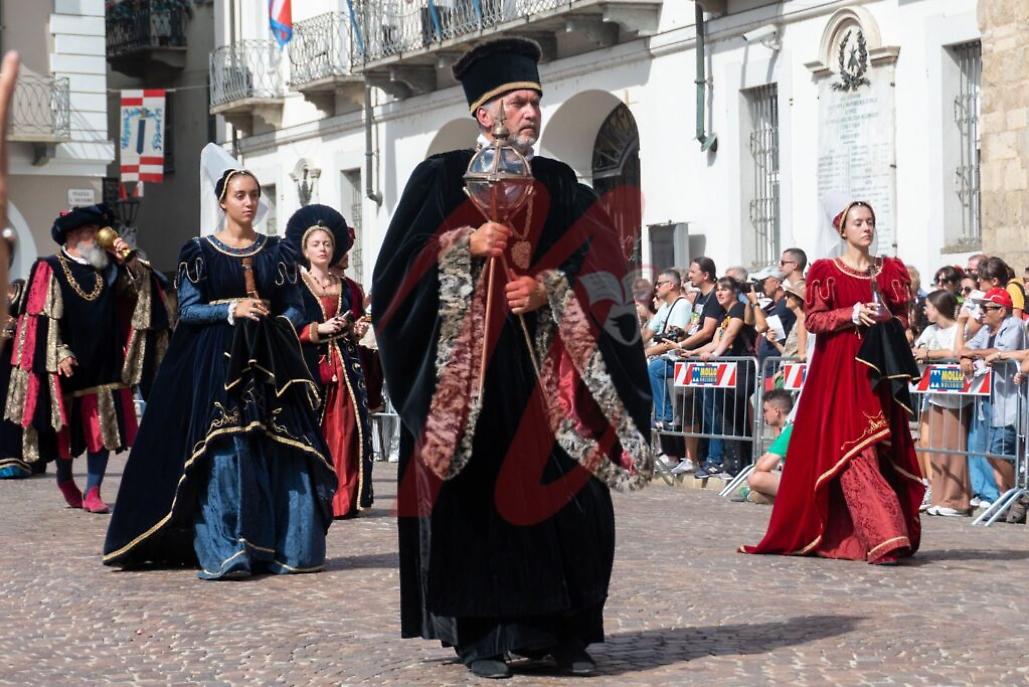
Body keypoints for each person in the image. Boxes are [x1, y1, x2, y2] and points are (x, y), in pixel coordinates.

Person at [372, 37, 653, 680]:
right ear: (484, 113)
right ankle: (483, 637)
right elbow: (394, 279)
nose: (532, 112)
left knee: (570, 502)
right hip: (468, 376)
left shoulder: (561, 183)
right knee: (480, 503)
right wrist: (461, 242)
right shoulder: (440, 179)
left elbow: (606, 276)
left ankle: (566, 634)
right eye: (519, 102)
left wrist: (551, 291)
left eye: (536, 101)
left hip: (549, 376)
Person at [103, 150, 337, 579]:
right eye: (240, 195)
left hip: (270, 362)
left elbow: (296, 307)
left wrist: (279, 322)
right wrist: (232, 310)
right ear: (223, 201)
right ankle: (230, 549)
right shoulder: (200, 252)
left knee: (281, 447)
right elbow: (188, 311)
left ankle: (288, 547)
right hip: (219, 361)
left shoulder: (278, 252)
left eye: (254, 195)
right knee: (227, 450)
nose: (249, 202)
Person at [743, 200, 924, 565]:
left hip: (875, 373)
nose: (866, 228)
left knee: (877, 447)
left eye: (870, 222)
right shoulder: (827, 270)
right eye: (858, 222)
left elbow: (903, 319)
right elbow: (815, 321)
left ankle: (873, 535)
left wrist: (887, 315)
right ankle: (884, 536)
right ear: (844, 229)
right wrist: (850, 314)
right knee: (854, 448)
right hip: (838, 374)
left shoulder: (889, 271)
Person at [5, 204, 171, 512]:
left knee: (103, 430)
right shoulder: (49, 267)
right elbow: (40, 320)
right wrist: (58, 353)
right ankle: (66, 480)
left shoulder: (108, 267)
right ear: (71, 237)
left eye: (95, 232)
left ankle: (93, 490)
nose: (93, 238)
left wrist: (130, 261)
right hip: (69, 363)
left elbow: (141, 294)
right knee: (66, 435)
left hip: (106, 359)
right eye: (86, 233)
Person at [286, 205, 374, 519]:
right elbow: (284, 328)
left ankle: (345, 498)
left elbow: (352, 322)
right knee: (318, 431)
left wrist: (356, 328)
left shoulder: (347, 287)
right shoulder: (296, 287)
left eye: (327, 244)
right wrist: (316, 330)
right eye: (316, 244)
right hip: (313, 366)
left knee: (348, 430)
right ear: (305, 249)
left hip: (346, 368)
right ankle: (318, 495)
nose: (323, 249)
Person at [682, 276, 757, 477]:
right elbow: (715, 342)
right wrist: (691, 352)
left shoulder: (739, 309)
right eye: (718, 290)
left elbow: (730, 335)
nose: (719, 293)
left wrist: (714, 356)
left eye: (724, 289)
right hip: (728, 371)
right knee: (726, 416)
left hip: (741, 371)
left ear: (735, 292)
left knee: (733, 417)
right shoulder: (725, 314)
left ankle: (739, 465)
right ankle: (734, 463)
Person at [957, 287, 1024, 511]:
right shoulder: (987, 329)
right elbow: (966, 348)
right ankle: (1009, 500)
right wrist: (966, 356)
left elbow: (1003, 351)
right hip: (993, 402)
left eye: (988, 307)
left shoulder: (1012, 324)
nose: (982, 312)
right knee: (993, 453)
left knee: (997, 451)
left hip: (1012, 401)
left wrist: (972, 354)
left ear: (1001, 310)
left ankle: (1018, 495)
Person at [911, 289, 971, 516]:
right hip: (934, 395)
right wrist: (923, 352)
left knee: (953, 447)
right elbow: (918, 350)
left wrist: (930, 354)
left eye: (928, 307)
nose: (925, 311)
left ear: (939, 308)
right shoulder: (929, 330)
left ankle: (955, 500)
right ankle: (939, 496)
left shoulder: (957, 329)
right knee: (935, 446)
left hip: (957, 396)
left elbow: (957, 352)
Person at [644, 268, 692, 431]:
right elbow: (648, 333)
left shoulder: (682, 305)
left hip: (679, 357)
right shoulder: (665, 307)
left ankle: (665, 416)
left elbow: (672, 340)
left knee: (654, 370)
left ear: (671, 285)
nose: (656, 288)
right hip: (666, 357)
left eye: (658, 284)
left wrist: (646, 352)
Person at [732, 389, 794, 504]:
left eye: (765, 411)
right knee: (754, 475)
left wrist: (757, 469)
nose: (763, 414)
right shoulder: (788, 428)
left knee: (756, 478)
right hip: (794, 477)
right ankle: (773, 498)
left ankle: (777, 498)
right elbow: (766, 458)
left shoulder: (790, 430)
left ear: (776, 411)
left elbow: (764, 465)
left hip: (801, 483)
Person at [978, 256, 1025, 321]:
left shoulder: (1012, 288)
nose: (978, 280)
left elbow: (1017, 320)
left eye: (981, 278)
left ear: (994, 281)